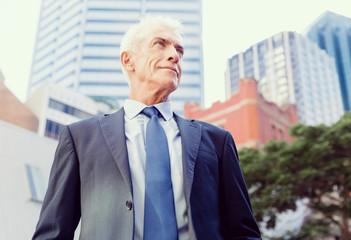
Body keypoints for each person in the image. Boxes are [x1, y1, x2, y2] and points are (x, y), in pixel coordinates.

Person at [32, 16, 261, 240]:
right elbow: (53, 233)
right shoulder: (80, 138)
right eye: (160, 44)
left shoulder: (217, 141)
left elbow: (243, 232)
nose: (174, 56)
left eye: (179, 51)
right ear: (127, 60)